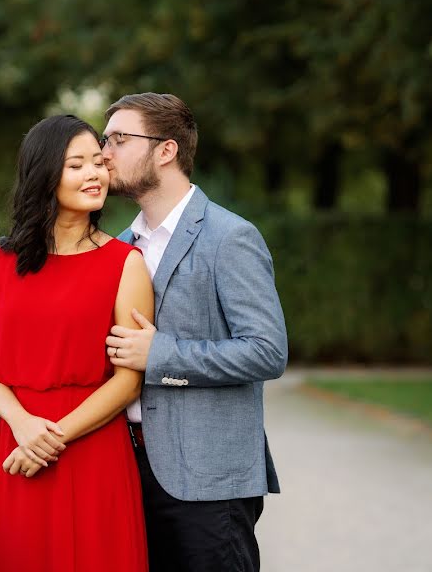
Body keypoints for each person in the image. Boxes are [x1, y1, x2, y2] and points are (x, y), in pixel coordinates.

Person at [101, 92, 288, 571]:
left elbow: (267, 352)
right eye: (106, 139)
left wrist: (162, 354)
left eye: (120, 139)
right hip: (124, 471)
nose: (105, 153)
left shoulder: (230, 237)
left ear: (166, 150)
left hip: (209, 480)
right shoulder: (118, 249)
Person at [0, 114, 153, 572]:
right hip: (17, 447)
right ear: (45, 174)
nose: (94, 174)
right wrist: (23, 425)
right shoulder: (1, 261)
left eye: (98, 161)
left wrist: (51, 438)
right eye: (77, 165)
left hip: (92, 449)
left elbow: (129, 382)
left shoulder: (125, 263)